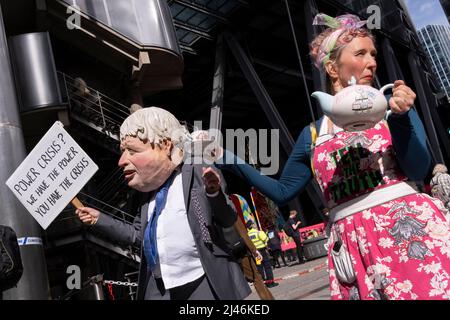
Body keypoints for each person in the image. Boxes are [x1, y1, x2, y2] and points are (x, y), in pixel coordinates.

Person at [216, 13, 450, 299]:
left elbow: (417, 169)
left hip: (410, 235)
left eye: (373, 54)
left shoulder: (394, 109)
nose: (373, 62)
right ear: (331, 67)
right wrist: (226, 157)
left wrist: (401, 117)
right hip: (351, 249)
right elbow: (282, 191)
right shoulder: (314, 134)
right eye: (361, 53)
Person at [76, 107, 250, 300]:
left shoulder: (198, 171)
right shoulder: (144, 195)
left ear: (166, 145)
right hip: (161, 286)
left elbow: (227, 219)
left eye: (132, 150)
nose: (121, 161)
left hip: (203, 278)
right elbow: (136, 235)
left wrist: (214, 193)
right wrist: (99, 219)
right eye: (123, 151)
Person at [246, 221, 279, 288]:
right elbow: (266, 240)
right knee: (267, 267)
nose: (255, 225)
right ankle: (270, 283)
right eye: (254, 224)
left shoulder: (247, 235)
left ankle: (263, 283)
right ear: (252, 225)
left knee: (260, 268)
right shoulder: (259, 232)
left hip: (255, 253)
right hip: (262, 252)